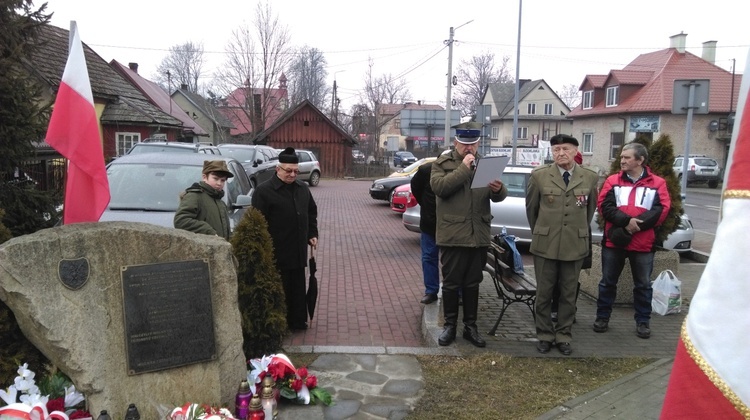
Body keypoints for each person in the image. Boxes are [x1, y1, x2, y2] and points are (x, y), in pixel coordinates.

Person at [430, 122, 507, 347]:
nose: (469, 148)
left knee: (473, 283)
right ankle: (450, 326)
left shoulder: (486, 164)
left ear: (478, 142)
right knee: (452, 284)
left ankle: (470, 328)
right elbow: (440, 188)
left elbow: (499, 196)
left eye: (472, 143)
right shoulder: (442, 163)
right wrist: (464, 168)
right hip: (453, 235)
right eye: (464, 144)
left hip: (478, 235)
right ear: (456, 143)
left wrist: (498, 189)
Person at [526, 134, 598, 356]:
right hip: (545, 244)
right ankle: (545, 335)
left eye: (565, 149)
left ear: (576, 152)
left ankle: (564, 335)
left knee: (568, 294)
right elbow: (532, 211)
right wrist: (542, 231)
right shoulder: (539, 176)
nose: (560, 153)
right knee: (544, 293)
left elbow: (589, 211)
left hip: (574, 245)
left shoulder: (589, 178)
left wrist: (575, 232)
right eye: (556, 150)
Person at [593, 142, 671, 339]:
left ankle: (643, 322)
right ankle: (602, 317)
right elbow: (604, 206)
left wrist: (637, 225)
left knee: (643, 285)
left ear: (640, 160)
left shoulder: (658, 183)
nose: (622, 160)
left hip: (644, 244)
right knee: (607, 282)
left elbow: (662, 210)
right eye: (621, 157)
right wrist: (627, 222)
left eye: (627, 157)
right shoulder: (612, 180)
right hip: (614, 242)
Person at [252, 147, 319, 331]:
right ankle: (278, 323)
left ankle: (297, 321)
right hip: (276, 252)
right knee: (280, 289)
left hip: (298, 251)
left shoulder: (302, 189)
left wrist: (312, 234)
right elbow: (257, 222)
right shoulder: (264, 191)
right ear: (278, 169)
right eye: (288, 170)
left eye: (296, 171)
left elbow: (311, 212)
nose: (292, 174)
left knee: (297, 288)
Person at [551, 150, 586, 322]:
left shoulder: (586, 181)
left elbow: (587, 209)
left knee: (570, 281)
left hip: (575, 240)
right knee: (553, 278)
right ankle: (554, 308)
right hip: (553, 240)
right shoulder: (547, 177)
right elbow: (533, 212)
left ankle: (568, 311)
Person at [174, 160, 233, 240]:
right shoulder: (195, 196)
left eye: (222, 180)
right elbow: (181, 220)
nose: (219, 183)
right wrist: (208, 231)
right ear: (204, 177)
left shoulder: (220, 202)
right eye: (215, 179)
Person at [411, 161, 439, 304]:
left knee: (453, 260)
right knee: (428, 257)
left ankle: (455, 291)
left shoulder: (459, 170)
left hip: (452, 226)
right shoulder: (426, 170)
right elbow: (415, 187)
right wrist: (426, 204)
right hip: (429, 224)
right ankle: (431, 291)